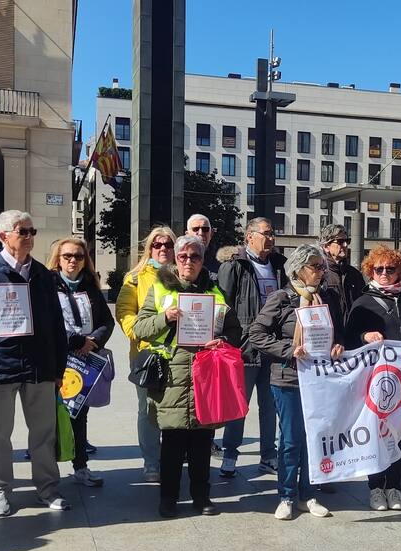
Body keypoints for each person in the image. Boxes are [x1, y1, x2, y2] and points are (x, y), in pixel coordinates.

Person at [134, 234, 240, 518]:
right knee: (172, 443)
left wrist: (222, 341)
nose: (189, 262)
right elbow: (140, 329)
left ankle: (201, 497)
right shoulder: (159, 288)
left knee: (202, 443)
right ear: (175, 259)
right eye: (183, 257)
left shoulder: (216, 289)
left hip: (207, 374)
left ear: (202, 260)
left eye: (195, 257)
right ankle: (168, 499)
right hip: (172, 376)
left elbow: (234, 331)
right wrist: (165, 317)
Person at [0, 210, 70, 517]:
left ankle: (47, 487)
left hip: (40, 366)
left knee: (43, 432)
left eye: (32, 231)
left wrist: (58, 369)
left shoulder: (43, 275)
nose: (29, 237)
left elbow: (57, 324)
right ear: (4, 236)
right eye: (23, 231)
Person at [249, 245, 344, 520]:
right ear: (298, 269)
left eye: (322, 267)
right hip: (288, 379)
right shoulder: (282, 298)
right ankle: (287, 495)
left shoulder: (327, 298)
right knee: (291, 440)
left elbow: (337, 333)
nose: (321, 272)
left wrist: (338, 346)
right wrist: (288, 350)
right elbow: (256, 333)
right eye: (315, 266)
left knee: (314, 440)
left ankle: (308, 494)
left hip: (318, 380)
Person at [345, 246, 401, 511]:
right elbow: (347, 340)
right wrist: (364, 337)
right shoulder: (362, 302)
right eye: (379, 269)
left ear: (399, 271)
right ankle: (376, 487)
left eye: (390, 269)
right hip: (376, 383)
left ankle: (395, 486)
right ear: (371, 271)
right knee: (378, 434)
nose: (385, 274)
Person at [216, 217, 285, 478]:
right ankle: (230, 454)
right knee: (239, 406)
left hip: (274, 348)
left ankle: (268, 456)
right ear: (250, 237)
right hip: (243, 349)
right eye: (266, 233)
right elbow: (223, 305)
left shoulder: (280, 266)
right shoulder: (235, 266)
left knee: (270, 406)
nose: (271, 238)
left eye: (272, 233)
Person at [48, 237, 114, 487]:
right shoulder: (47, 286)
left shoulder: (91, 288)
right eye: (67, 256)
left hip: (83, 363)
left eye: (78, 256)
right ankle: (47, 469)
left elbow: (107, 322)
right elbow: (45, 325)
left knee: (79, 415)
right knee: (49, 416)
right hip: (55, 361)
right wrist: (75, 341)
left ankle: (81, 466)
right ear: (58, 259)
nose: (73, 261)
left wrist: (93, 340)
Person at [117, 226, 178, 482]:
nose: (163, 248)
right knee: (148, 410)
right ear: (149, 248)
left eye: (168, 244)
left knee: (175, 408)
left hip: (180, 354)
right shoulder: (135, 277)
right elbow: (124, 312)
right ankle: (152, 462)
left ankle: (174, 459)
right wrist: (140, 333)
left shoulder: (184, 273)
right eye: (157, 244)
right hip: (147, 355)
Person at [318, 224, 365, 321]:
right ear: (326, 246)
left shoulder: (355, 274)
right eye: (340, 241)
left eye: (347, 241)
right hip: (331, 333)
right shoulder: (319, 274)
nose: (345, 245)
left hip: (353, 332)